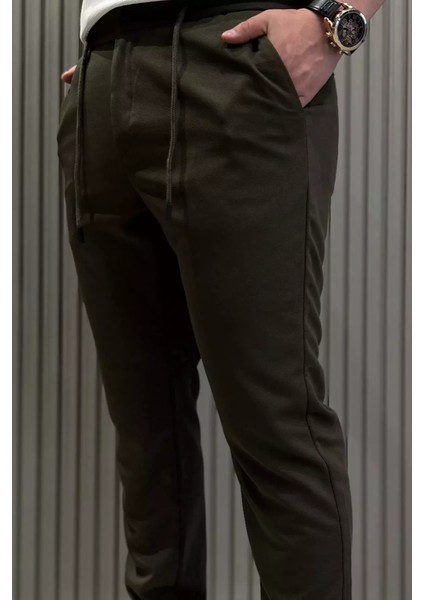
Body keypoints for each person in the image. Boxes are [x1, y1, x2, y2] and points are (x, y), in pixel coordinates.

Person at [56, 1, 385, 598]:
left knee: (277, 430)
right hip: (104, 73)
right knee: (148, 444)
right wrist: (115, 63)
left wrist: (341, 19)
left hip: (234, 59)